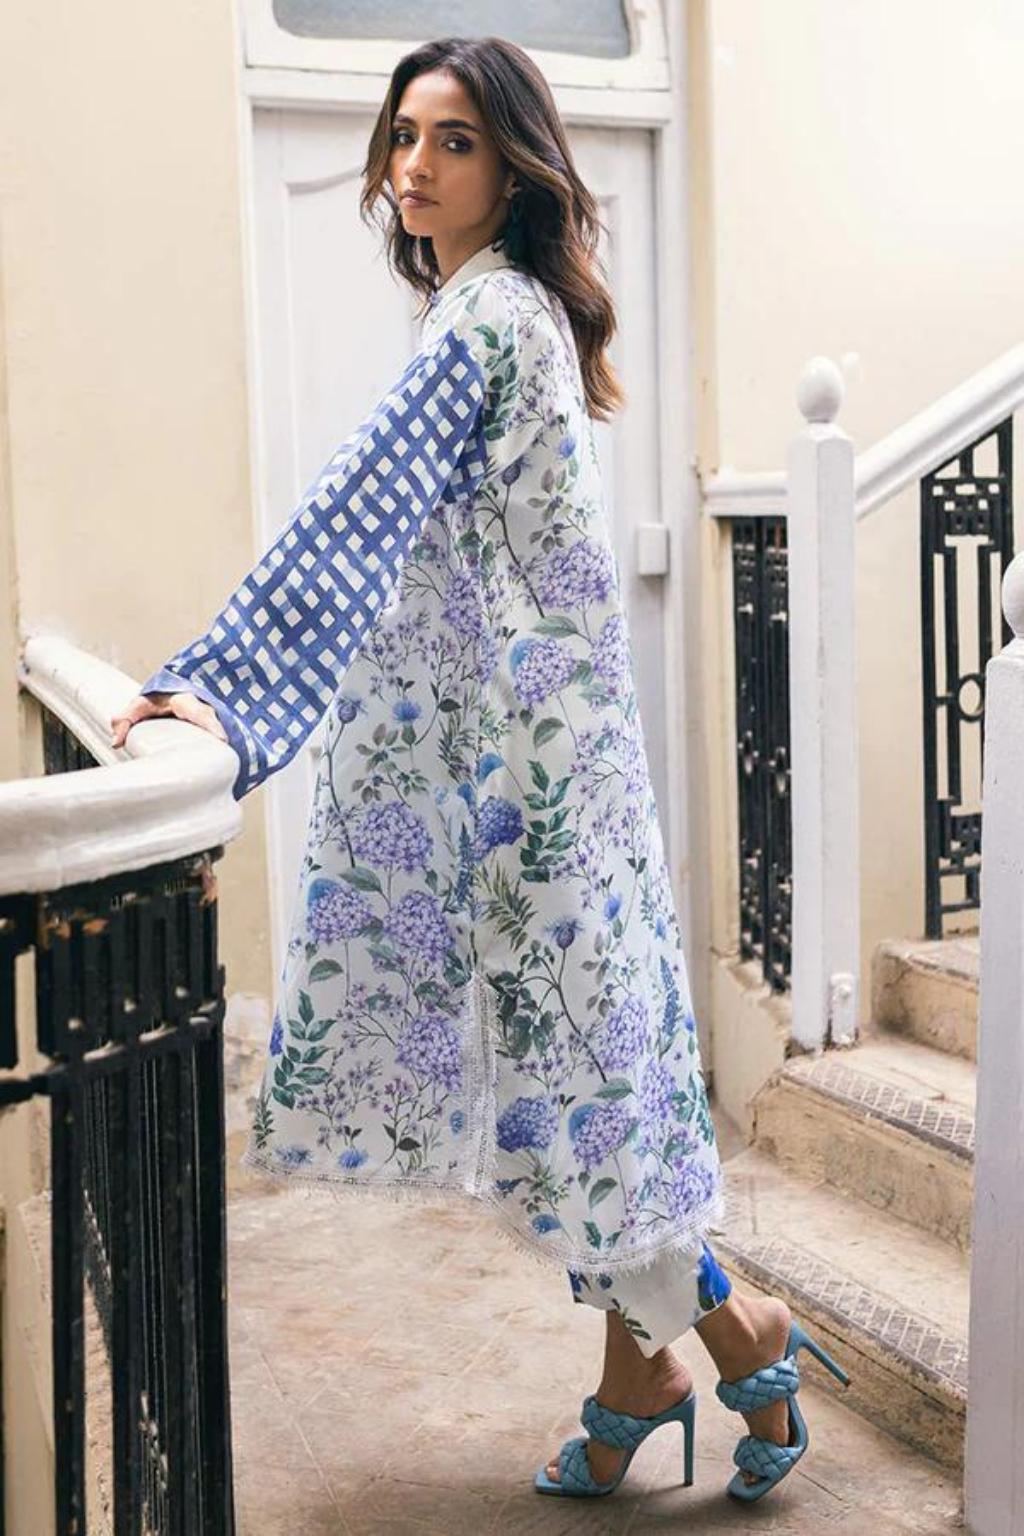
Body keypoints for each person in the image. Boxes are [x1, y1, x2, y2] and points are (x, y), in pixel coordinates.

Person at [111, 34, 848, 1504]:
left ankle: (732, 1334)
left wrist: (223, 686)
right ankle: (645, 1371)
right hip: (556, 758)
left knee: (581, 1079)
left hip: (535, 786)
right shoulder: (510, 314)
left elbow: (355, 513)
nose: (416, 165)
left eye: (453, 140)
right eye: (404, 136)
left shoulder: (488, 317)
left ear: (515, 167)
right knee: (588, 1074)